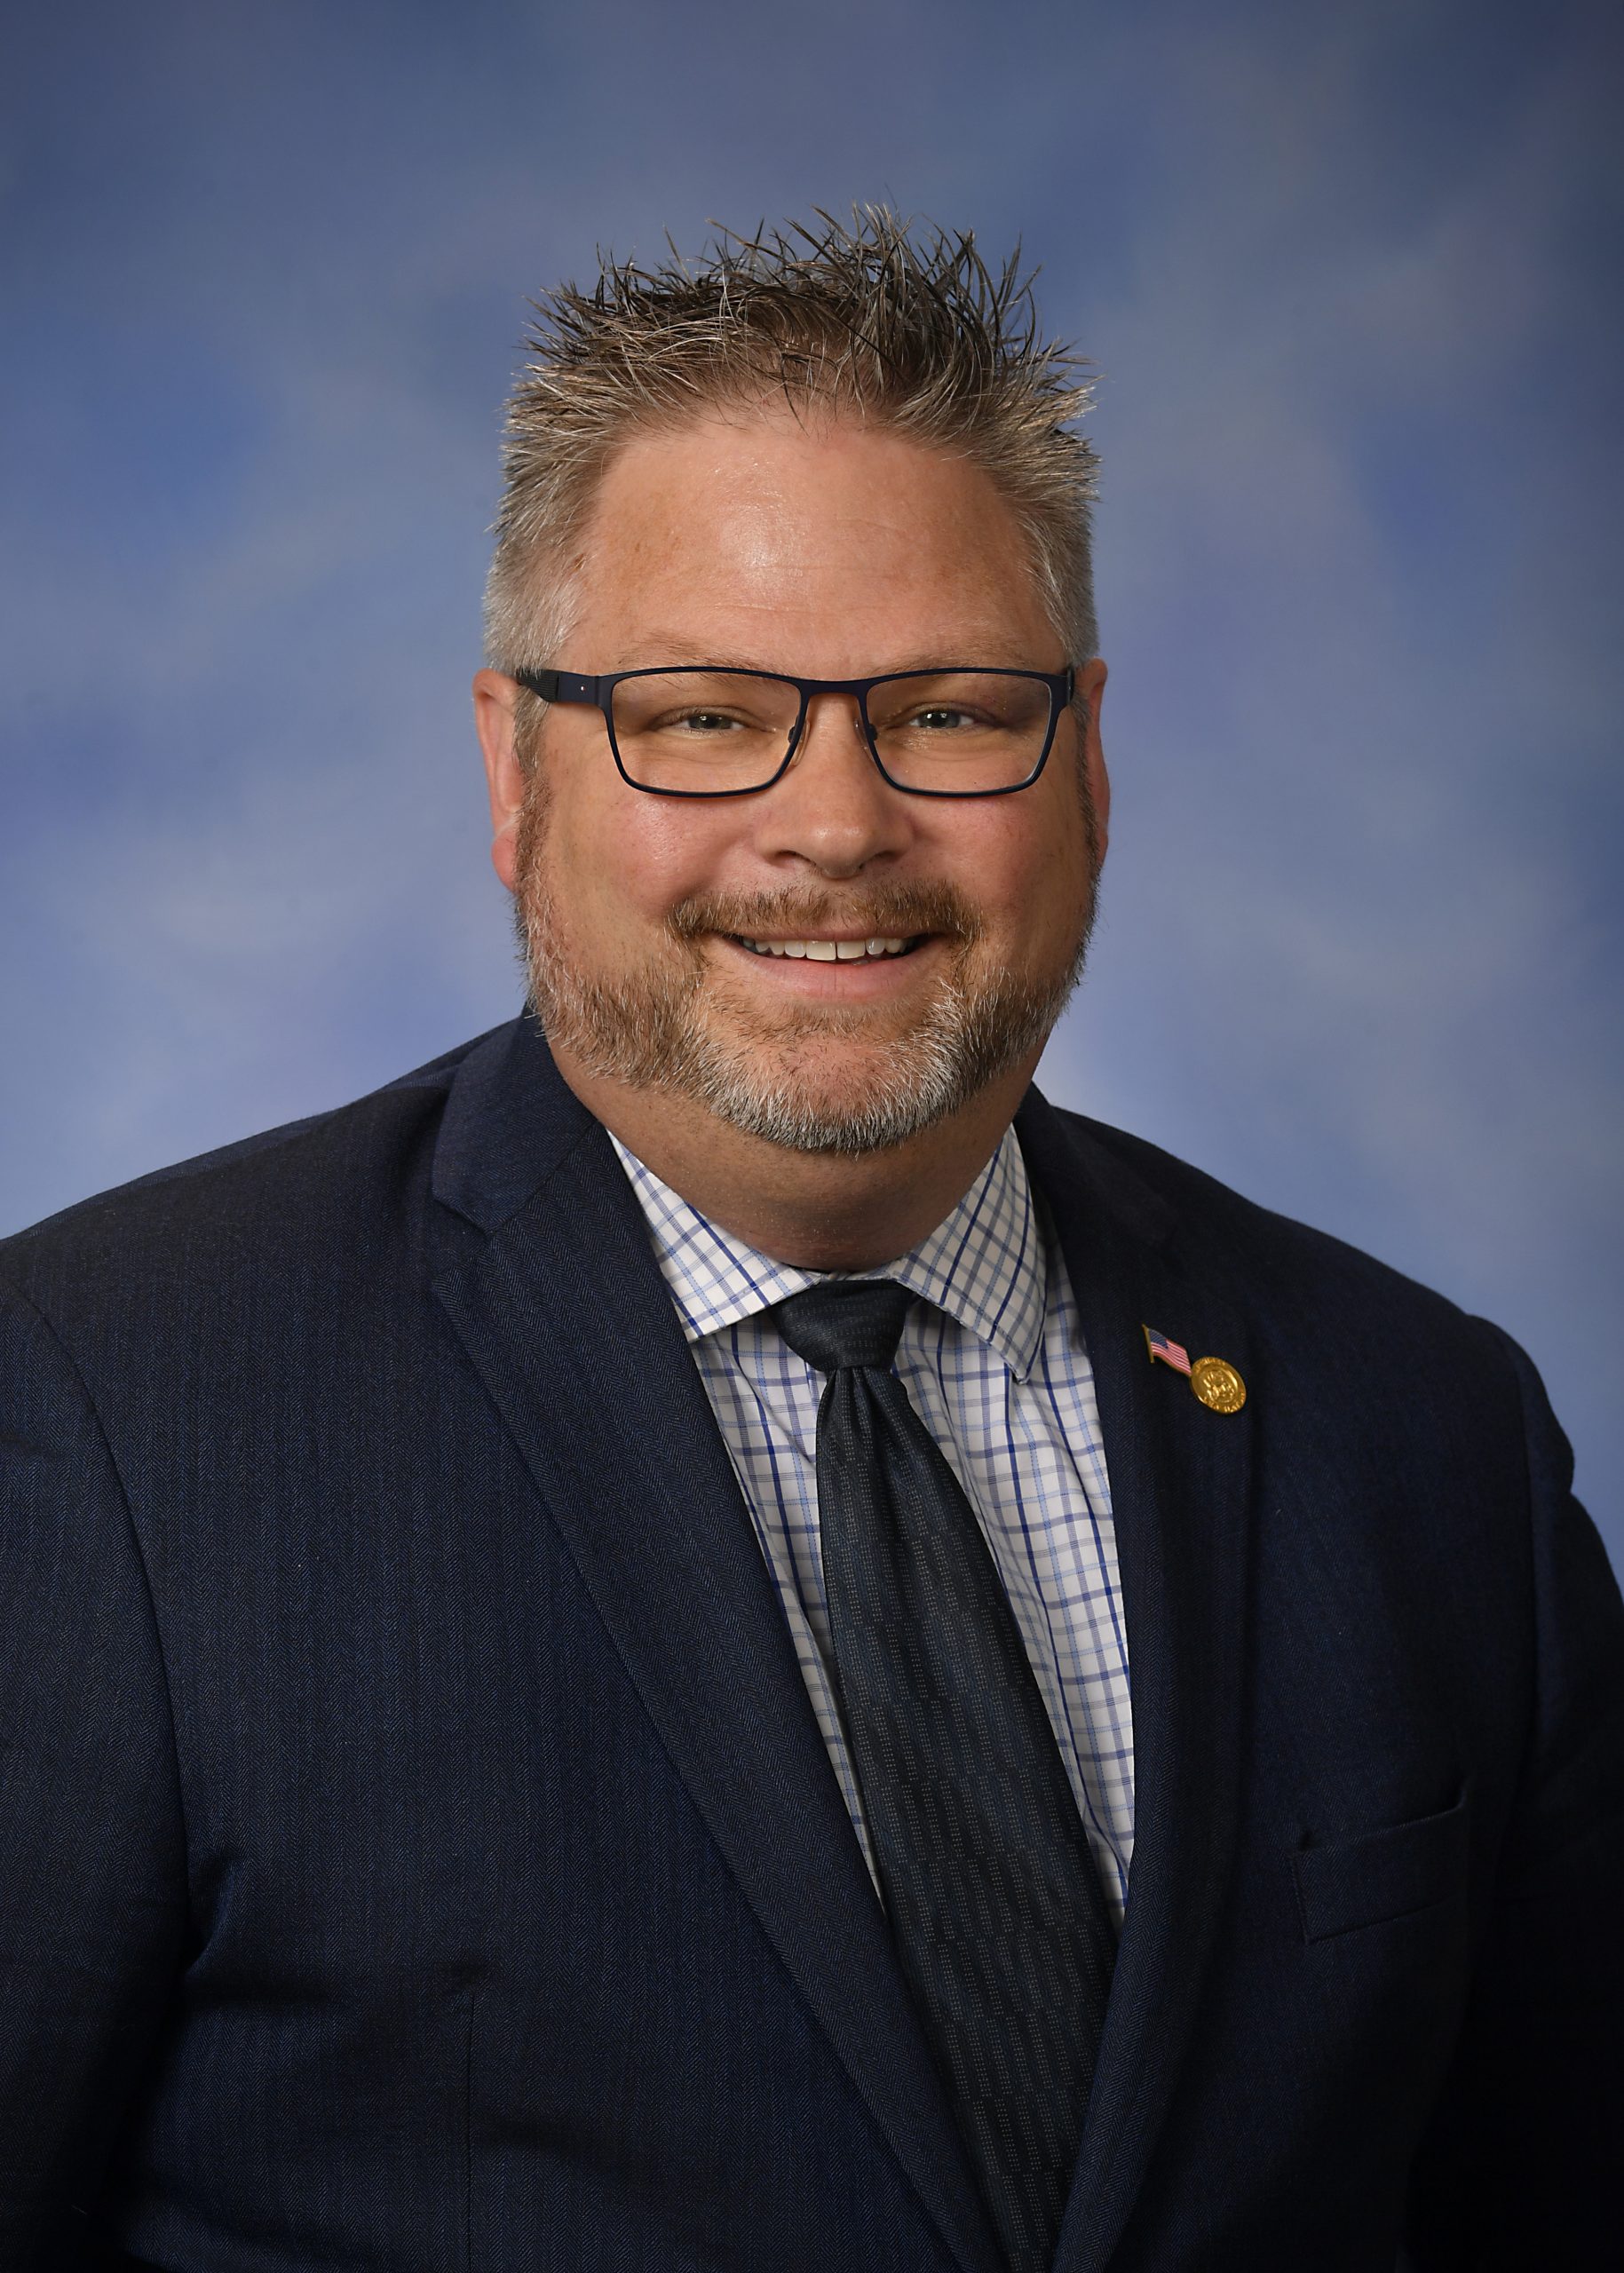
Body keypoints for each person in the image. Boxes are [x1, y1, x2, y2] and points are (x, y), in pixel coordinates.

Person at [1, 211, 1620, 2273]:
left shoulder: (1425, 1432)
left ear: (1089, 759)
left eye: (947, 711)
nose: (837, 824)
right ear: (514, 767)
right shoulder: (108, 1416)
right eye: (699, 715)